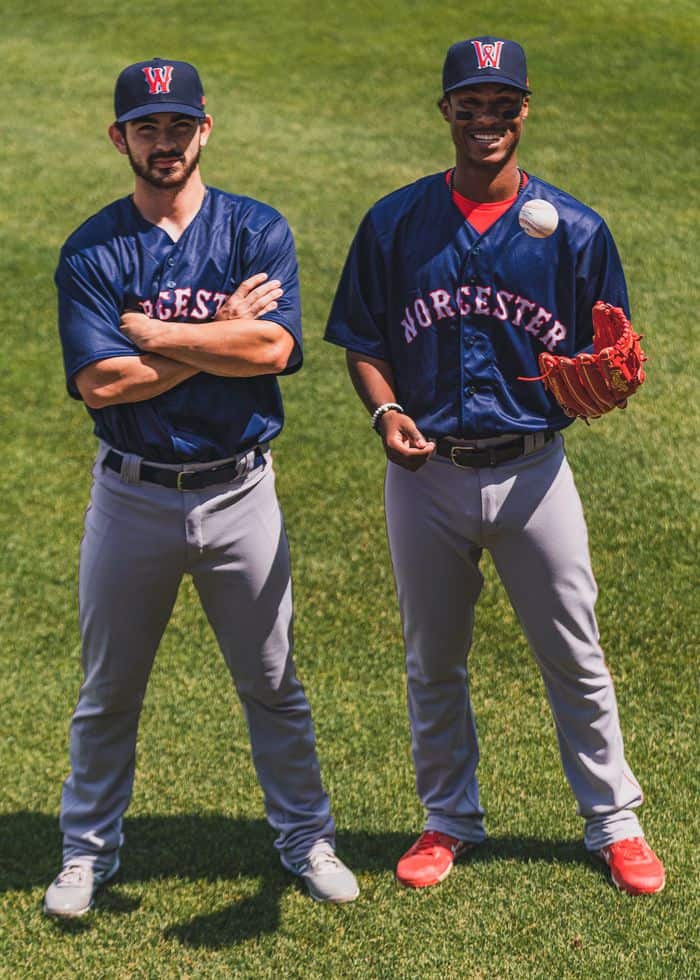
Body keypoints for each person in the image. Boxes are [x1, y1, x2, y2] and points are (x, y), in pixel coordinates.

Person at [324, 36, 665, 895]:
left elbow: (612, 349)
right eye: (469, 104)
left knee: (575, 653)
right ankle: (448, 819)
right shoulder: (395, 222)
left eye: (501, 104)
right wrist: (386, 408)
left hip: (534, 471)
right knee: (433, 657)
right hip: (425, 474)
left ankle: (614, 821)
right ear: (445, 111)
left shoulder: (576, 230)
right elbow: (364, 341)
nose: (487, 119)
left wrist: (608, 376)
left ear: (525, 110)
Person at [45, 57, 358, 917]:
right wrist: (215, 330)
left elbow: (274, 353)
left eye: (179, 125)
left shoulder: (257, 231)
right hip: (132, 495)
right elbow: (101, 384)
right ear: (121, 139)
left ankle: (306, 839)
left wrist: (156, 332)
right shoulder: (93, 248)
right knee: (110, 690)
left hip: (239, 493)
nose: (164, 142)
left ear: (205, 129)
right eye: (146, 127)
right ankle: (85, 852)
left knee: (273, 682)